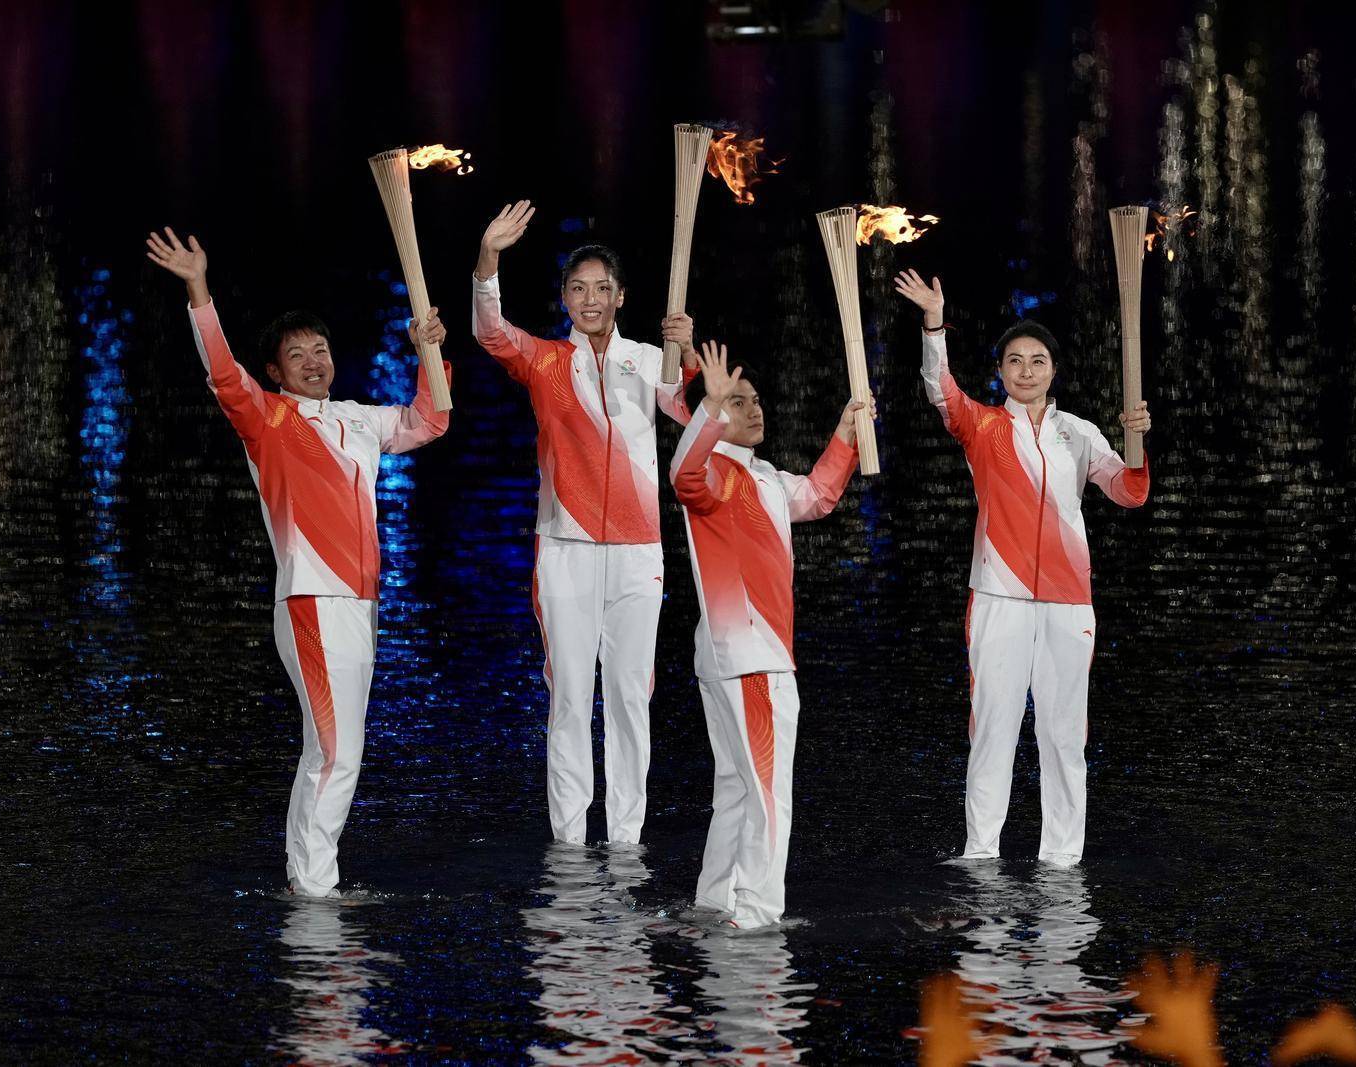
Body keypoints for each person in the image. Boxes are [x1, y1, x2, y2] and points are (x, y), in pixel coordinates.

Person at [146, 227, 451, 896]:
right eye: (296, 355)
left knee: (334, 749)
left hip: (359, 605)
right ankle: (313, 892)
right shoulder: (268, 422)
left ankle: (310, 883)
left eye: (320, 350)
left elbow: (432, 420)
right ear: (275, 372)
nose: (313, 362)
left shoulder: (360, 419)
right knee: (336, 752)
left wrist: (428, 350)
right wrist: (198, 289)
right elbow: (224, 376)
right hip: (313, 599)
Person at [893, 268, 1151, 866]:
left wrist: (1138, 446)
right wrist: (934, 322)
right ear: (1001, 371)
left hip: (1068, 603)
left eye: (1038, 362)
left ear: (1053, 371)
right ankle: (981, 853)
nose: (1027, 371)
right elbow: (940, 390)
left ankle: (1061, 860)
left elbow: (1130, 493)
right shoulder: (982, 427)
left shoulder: (1079, 434)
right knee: (993, 729)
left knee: (1063, 735)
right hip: (999, 598)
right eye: (1015, 361)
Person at [471, 201, 698, 846]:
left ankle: (625, 838)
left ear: (620, 296)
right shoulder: (545, 361)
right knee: (570, 695)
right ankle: (570, 840)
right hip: (565, 547)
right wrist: (489, 259)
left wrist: (685, 351)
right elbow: (491, 333)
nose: (590, 300)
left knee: (630, 696)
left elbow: (692, 413)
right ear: (565, 298)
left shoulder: (650, 361)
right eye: (579, 289)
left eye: (602, 289)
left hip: (638, 551)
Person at [670, 340, 868, 928]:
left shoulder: (764, 478)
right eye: (739, 401)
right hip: (752, 659)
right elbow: (683, 476)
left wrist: (846, 432)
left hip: (733, 659)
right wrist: (710, 407)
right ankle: (757, 916)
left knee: (737, 788)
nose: (754, 409)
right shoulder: (712, 474)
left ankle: (714, 904)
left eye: (754, 400)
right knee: (768, 794)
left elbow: (820, 495)